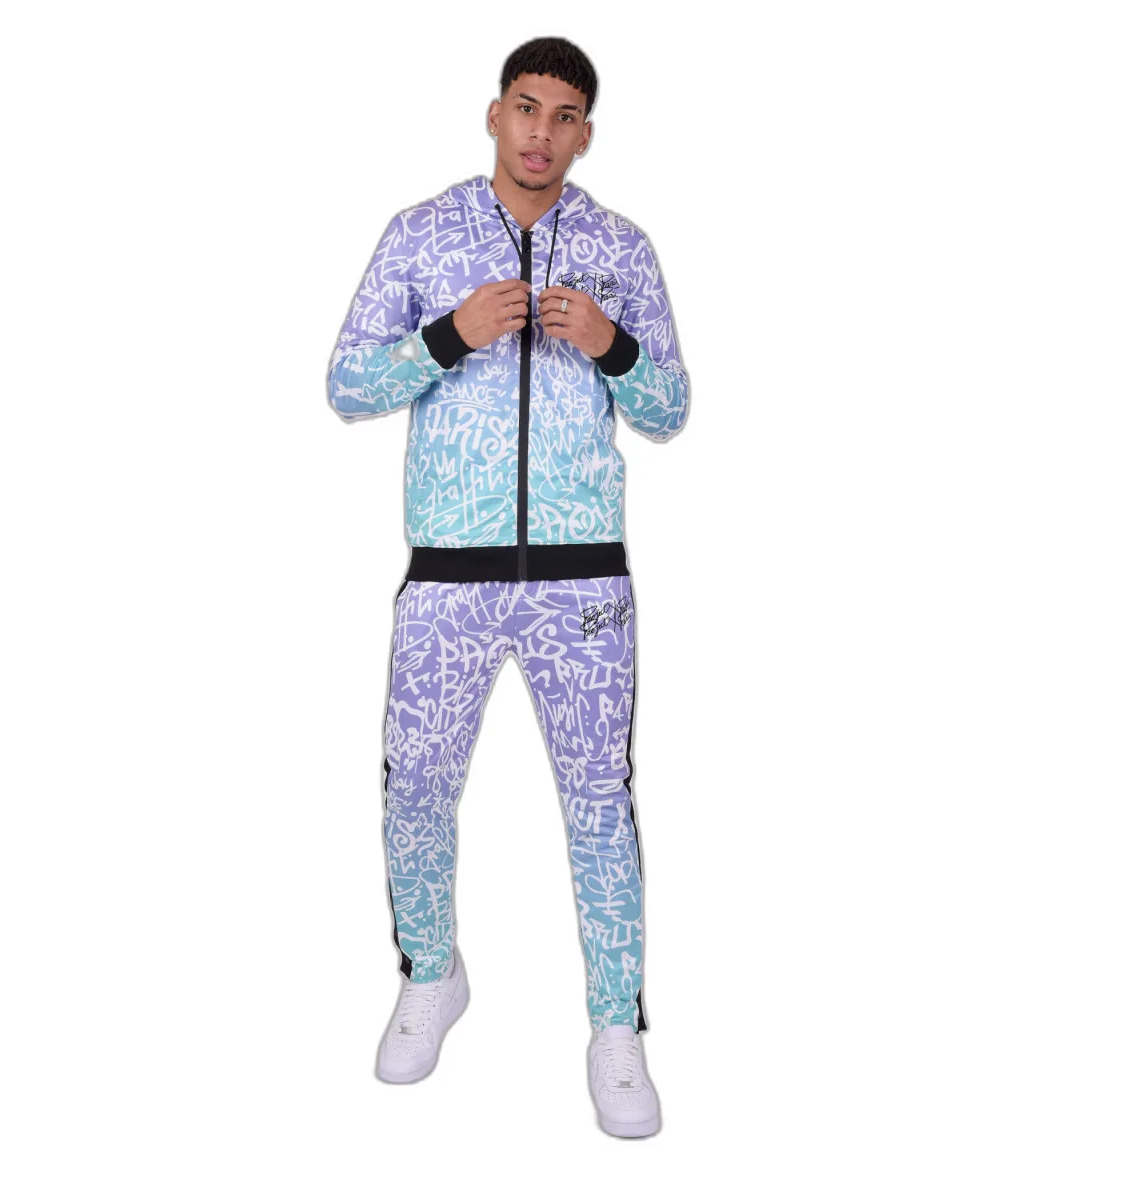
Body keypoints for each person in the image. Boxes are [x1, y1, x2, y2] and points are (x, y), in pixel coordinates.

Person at [325, 35, 688, 1138]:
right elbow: (346, 383)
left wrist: (615, 346)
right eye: (526, 107)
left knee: (600, 803)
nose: (541, 131)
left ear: (586, 134)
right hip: (449, 578)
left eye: (564, 115)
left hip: (583, 583)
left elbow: (671, 407)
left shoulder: (622, 248)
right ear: (495, 115)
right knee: (417, 788)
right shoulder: (420, 234)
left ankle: (616, 1028)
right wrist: (448, 336)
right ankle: (431, 973)